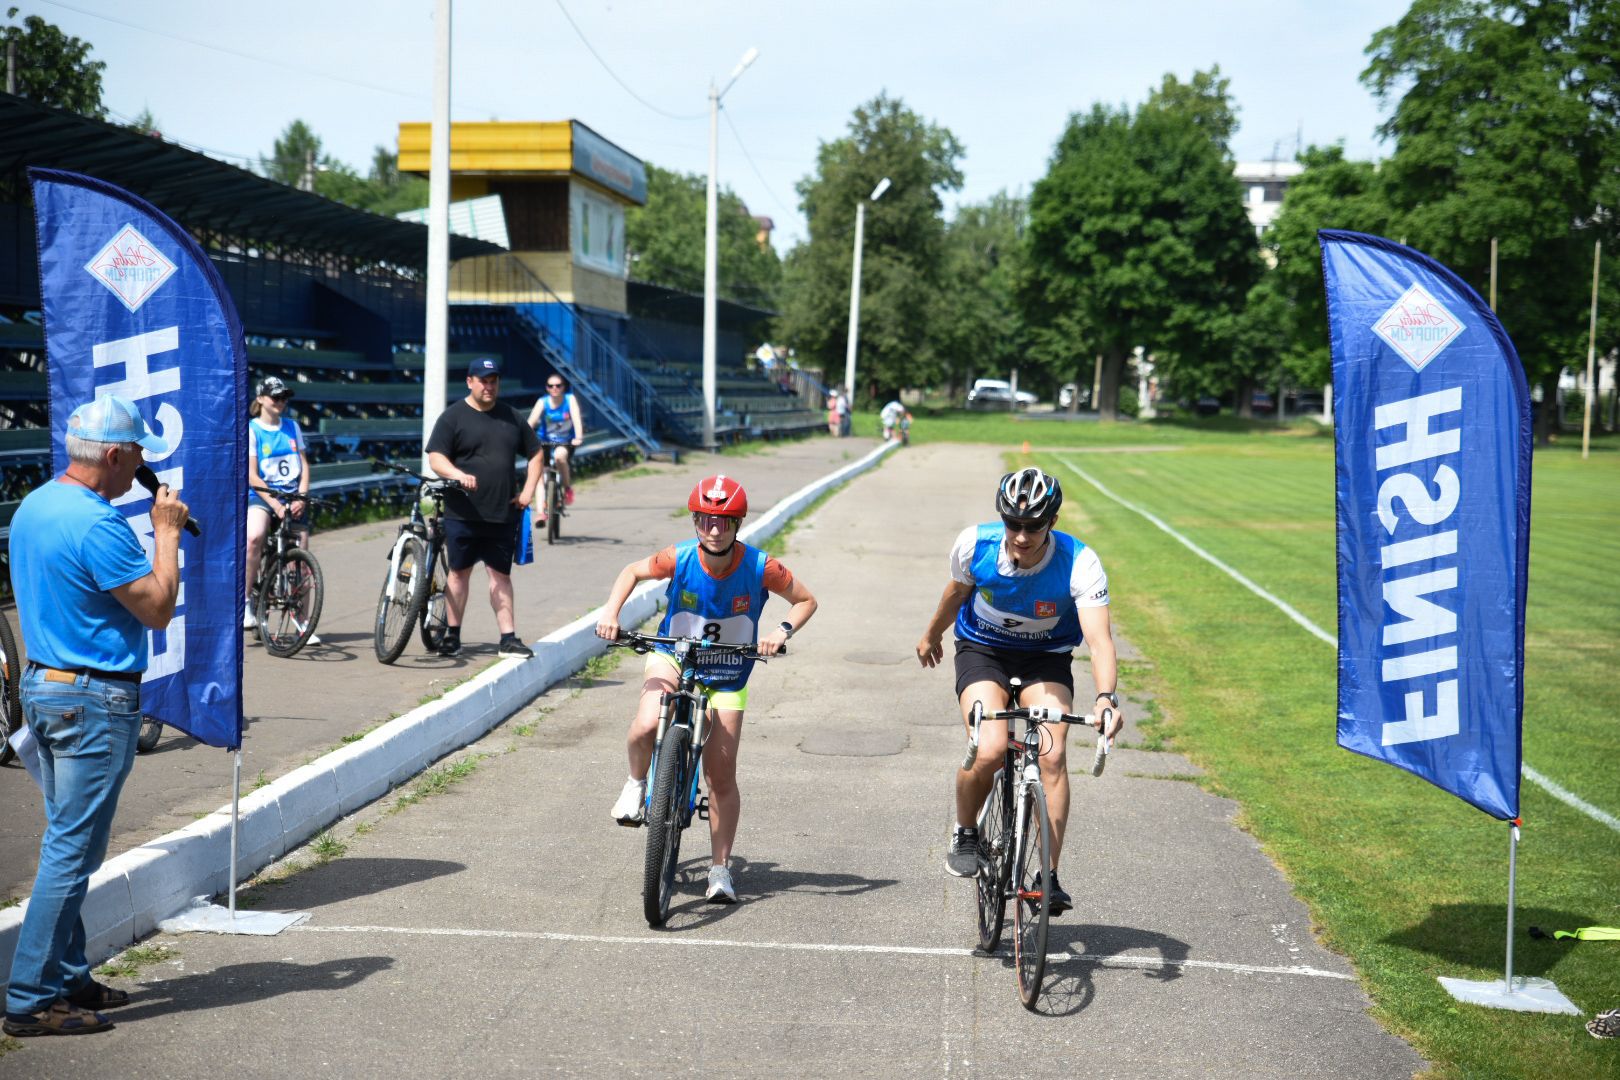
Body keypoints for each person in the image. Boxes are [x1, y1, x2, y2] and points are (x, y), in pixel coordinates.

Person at [3, 396, 189, 1037]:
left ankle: (67, 975)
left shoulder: (36, 505)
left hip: (45, 687)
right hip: (91, 698)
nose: (140, 462)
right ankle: (30, 998)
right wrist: (165, 533)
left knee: (69, 840)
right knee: (71, 849)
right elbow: (158, 607)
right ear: (115, 455)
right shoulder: (97, 524)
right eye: (137, 451)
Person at [594, 475, 817, 904]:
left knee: (721, 773)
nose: (714, 529)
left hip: (729, 671)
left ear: (737, 524)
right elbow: (631, 571)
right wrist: (611, 611)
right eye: (706, 520)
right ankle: (637, 783)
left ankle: (720, 870)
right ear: (696, 521)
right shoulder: (678, 558)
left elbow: (806, 600)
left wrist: (781, 631)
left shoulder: (759, 566)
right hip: (674, 656)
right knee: (645, 725)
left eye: (724, 521)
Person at [915, 466, 1122, 914]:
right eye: (1013, 524)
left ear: (1053, 522)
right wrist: (932, 634)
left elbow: (1100, 640)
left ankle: (1047, 876)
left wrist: (1106, 697)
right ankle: (967, 831)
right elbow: (954, 595)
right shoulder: (976, 545)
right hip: (983, 651)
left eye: (1033, 526)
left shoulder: (1079, 562)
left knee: (1051, 754)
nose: (1022, 536)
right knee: (988, 748)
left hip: (1045, 658)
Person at [425, 356, 544, 660]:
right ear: (470, 382)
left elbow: (535, 454)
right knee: (458, 573)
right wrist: (458, 474)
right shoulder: (453, 417)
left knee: (500, 576)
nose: (489, 386)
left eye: (493, 381)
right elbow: (436, 457)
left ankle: (508, 638)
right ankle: (452, 636)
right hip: (462, 513)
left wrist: (528, 490)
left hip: (502, 512)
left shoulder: (511, 417)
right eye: (483, 381)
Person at [243, 376, 317, 644]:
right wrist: (274, 504)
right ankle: (246, 602)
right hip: (263, 495)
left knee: (301, 557)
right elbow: (252, 475)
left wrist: (302, 497)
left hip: (292, 496)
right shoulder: (252, 430)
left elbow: (304, 466)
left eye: (284, 397)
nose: (281, 402)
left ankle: (303, 621)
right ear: (261, 398)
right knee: (254, 536)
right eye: (275, 397)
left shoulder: (292, 427)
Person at [525, 373, 584, 519]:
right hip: (544, 440)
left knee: (559, 457)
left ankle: (567, 488)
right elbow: (531, 421)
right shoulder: (542, 402)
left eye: (558, 385)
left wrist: (578, 436)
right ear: (547, 388)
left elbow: (576, 419)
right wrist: (523, 434)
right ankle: (541, 509)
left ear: (563, 387)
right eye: (551, 386)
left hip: (565, 441)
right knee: (539, 472)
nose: (555, 388)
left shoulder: (570, 400)